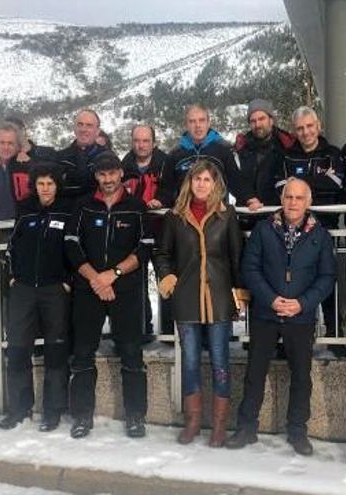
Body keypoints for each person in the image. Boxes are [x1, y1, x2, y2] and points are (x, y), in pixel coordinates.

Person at [226, 178, 336, 456]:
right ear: (282, 199)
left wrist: (302, 303)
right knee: (254, 372)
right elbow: (250, 269)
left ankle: (298, 431)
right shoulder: (264, 230)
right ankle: (246, 428)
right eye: (289, 197)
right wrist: (271, 299)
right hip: (266, 312)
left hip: (300, 316)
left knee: (301, 376)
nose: (293, 203)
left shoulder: (320, 235)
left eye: (299, 198)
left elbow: (326, 277)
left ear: (308, 202)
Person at [153, 159, 248, 447]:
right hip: (186, 299)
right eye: (197, 180)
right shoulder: (175, 216)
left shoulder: (226, 214)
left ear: (215, 183)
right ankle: (193, 420)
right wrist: (168, 278)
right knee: (191, 361)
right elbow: (162, 253)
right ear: (189, 183)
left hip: (218, 298)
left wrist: (240, 292)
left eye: (207, 179)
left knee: (220, 360)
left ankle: (219, 424)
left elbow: (237, 255)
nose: (202, 184)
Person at [66, 151, 154, 439]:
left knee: (131, 353)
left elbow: (144, 249)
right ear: (96, 176)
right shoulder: (82, 207)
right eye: (102, 174)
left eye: (112, 173)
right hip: (88, 289)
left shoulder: (136, 207)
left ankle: (136, 416)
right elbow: (71, 247)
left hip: (125, 290)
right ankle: (81, 416)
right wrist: (96, 278)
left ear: (120, 174)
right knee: (82, 354)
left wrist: (112, 275)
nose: (107, 179)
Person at [0, 163, 73, 431]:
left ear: (57, 186)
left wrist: (68, 280)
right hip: (24, 288)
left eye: (50, 184)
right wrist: (11, 277)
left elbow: (75, 249)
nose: (45, 189)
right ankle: (19, 408)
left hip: (55, 289)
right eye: (41, 184)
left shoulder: (66, 212)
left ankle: (52, 410)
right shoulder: (25, 210)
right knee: (18, 348)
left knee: (56, 349)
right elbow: (11, 247)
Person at [274, 106, 346, 355]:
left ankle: (336, 337)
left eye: (309, 126)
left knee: (327, 283)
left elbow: (336, 183)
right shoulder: (286, 156)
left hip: (324, 230)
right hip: (293, 232)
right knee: (294, 286)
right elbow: (281, 188)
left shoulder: (333, 154)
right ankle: (292, 341)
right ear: (295, 131)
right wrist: (316, 183)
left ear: (318, 126)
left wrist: (300, 184)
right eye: (300, 128)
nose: (305, 132)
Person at [122, 124, 169, 339]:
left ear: (154, 142)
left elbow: (175, 189)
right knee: (136, 283)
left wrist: (164, 200)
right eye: (137, 141)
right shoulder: (124, 166)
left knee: (166, 279)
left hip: (162, 230)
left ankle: (169, 332)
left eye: (145, 141)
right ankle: (142, 330)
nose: (141, 145)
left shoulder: (166, 163)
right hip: (136, 232)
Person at [158, 104, 244, 207]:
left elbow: (237, 184)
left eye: (201, 120)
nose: (197, 125)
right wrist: (160, 201)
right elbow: (167, 188)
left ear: (208, 123)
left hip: (216, 215)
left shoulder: (223, 151)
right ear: (186, 125)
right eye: (192, 121)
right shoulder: (175, 155)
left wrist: (249, 199)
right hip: (184, 215)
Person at [235, 98, 296, 210]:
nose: (257, 124)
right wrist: (249, 198)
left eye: (262, 119)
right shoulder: (241, 148)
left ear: (271, 120)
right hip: (248, 212)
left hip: (277, 213)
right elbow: (236, 180)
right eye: (253, 121)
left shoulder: (287, 146)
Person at [54, 109, 108, 201]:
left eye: (89, 125)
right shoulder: (60, 158)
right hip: (67, 212)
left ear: (97, 131)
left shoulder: (107, 158)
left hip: (96, 211)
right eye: (80, 124)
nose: (83, 129)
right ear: (74, 128)